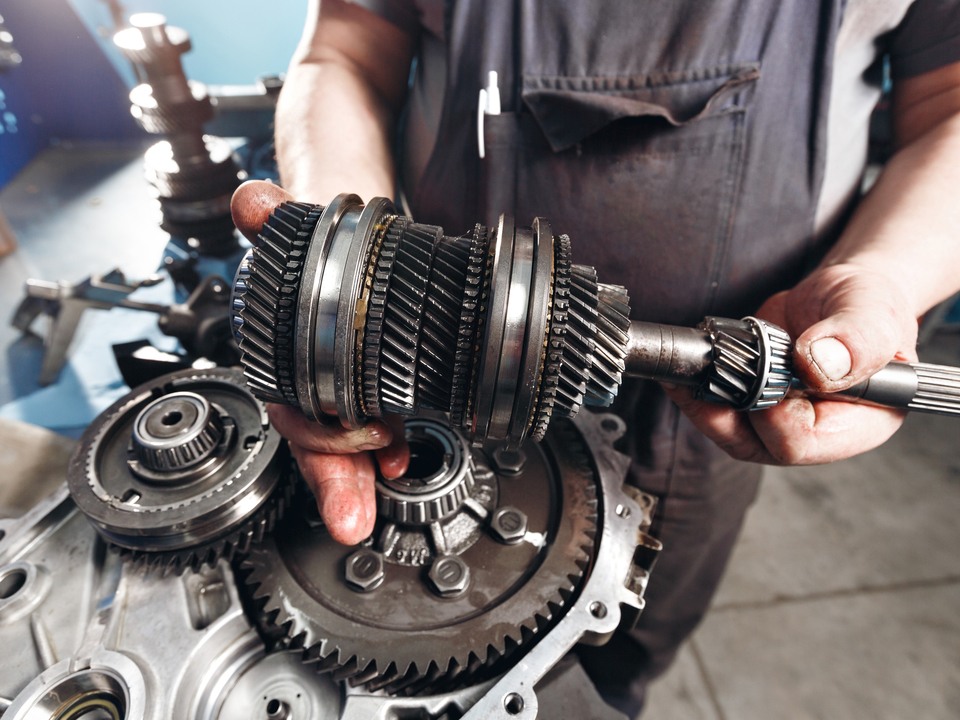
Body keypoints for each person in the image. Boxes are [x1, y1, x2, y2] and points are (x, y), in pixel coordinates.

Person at [231, 0, 960, 714]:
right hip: (431, 367)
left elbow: (949, 100)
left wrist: (883, 278)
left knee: (621, 652)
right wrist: (348, 291)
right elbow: (346, 51)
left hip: (712, 414)